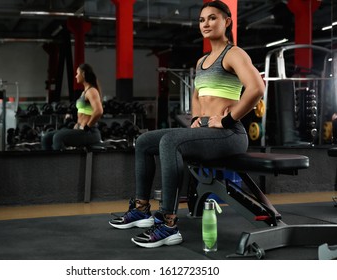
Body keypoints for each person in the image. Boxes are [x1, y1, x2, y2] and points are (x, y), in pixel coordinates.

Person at [108, 0, 265, 248]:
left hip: (229, 134)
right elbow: (197, 94)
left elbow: (257, 88)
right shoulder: (202, 61)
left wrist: (228, 118)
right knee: (144, 141)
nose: (206, 23)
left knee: (170, 141)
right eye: (202, 20)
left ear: (227, 21)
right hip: (205, 131)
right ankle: (141, 210)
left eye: (212, 18)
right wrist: (195, 119)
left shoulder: (234, 53)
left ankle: (169, 225)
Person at [41, 63, 103, 150]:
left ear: (84, 74)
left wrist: (87, 127)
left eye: (77, 73)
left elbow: (99, 111)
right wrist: (77, 124)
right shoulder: (84, 92)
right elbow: (84, 113)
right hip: (80, 129)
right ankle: (48, 162)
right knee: (46, 137)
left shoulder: (91, 91)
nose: (76, 76)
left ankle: (63, 162)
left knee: (58, 138)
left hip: (90, 132)